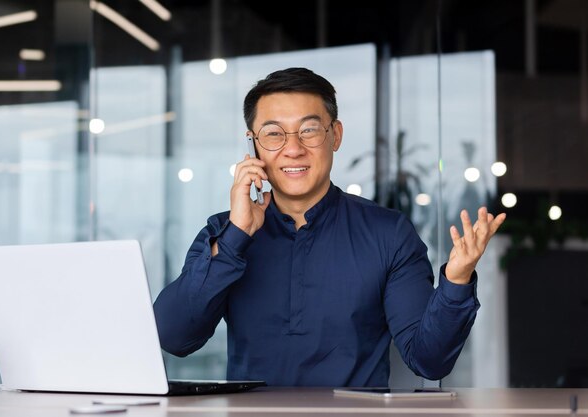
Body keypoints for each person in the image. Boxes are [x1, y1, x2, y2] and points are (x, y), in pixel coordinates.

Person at [153, 67, 506, 387]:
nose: (293, 149)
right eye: (274, 134)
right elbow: (174, 336)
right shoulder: (225, 231)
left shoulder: (389, 233)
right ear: (253, 144)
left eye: (309, 130)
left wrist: (457, 280)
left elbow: (429, 360)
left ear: (335, 135)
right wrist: (236, 236)